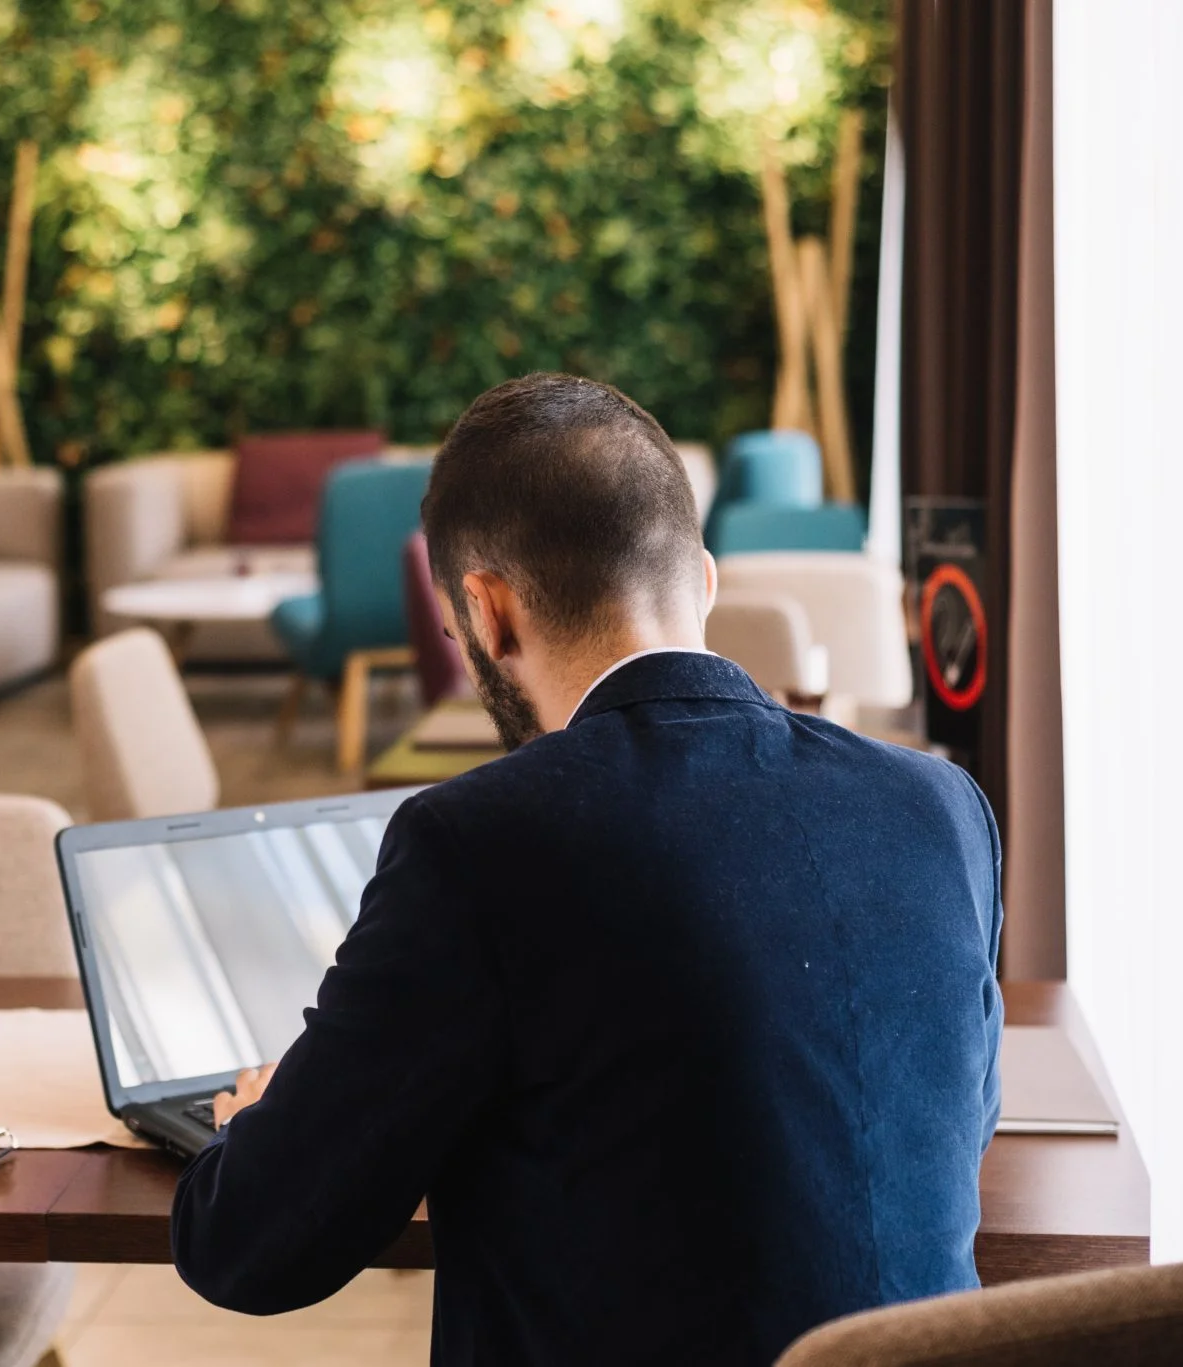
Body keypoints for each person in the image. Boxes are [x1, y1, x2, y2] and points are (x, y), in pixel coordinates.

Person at [171, 373, 1003, 1365]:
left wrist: (250, 1126)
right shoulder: (939, 802)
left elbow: (252, 1246)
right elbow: (943, 1111)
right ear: (701, 581)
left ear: (486, 613)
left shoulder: (476, 841)